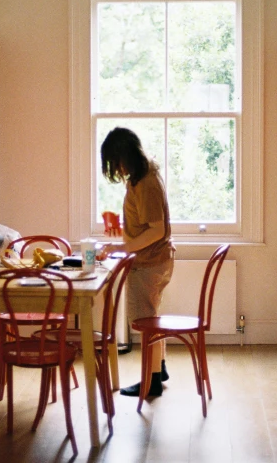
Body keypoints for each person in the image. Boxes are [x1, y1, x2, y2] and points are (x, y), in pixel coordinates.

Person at [98, 127, 174, 397]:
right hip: (155, 260)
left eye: (114, 162)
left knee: (144, 321)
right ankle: (159, 368)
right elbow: (146, 223)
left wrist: (124, 246)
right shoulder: (143, 176)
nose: (115, 169)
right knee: (151, 317)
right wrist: (125, 234)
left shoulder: (146, 183)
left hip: (149, 262)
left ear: (122, 156)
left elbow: (157, 229)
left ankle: (151, 380)